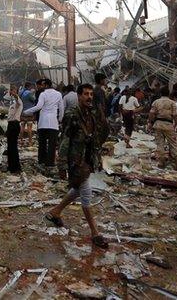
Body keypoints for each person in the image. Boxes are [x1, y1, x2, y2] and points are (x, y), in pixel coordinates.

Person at [45, 84, 110, 248]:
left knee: (77, 190)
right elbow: (65, 140)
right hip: (75, 160)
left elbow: (98, 133)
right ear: (79, 96)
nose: (89, 97)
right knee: (86, 193)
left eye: (91, 94)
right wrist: (62, 164)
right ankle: (95, 233)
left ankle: (55, 212)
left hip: (87, 159)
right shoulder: (72, 114)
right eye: (86, 94)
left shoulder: (91, 114)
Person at [23, 78, 63, 167]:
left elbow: (38, 106)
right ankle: (50, 163)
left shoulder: (43, 94)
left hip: (43, 122)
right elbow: (61, 108)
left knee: (42, 144)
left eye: (43, 85)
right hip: (53, 123)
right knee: (52, 145)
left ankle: (42, 160)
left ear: (46, 85)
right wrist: (60, 120)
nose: (41, 87)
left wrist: (26, 112)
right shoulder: (58, 94)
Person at [148, 90, 177, 168]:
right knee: (173, 144)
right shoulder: (172, 103)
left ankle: (161, 163)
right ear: (169, 94)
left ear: (160, 94)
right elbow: (175, 115)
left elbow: (152, 113)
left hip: (158, 124)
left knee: (160, 144)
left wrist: (150, 123)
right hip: (169, 124)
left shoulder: (156, 102)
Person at [5, 83, 23, 173]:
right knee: (10, 146)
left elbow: (18, 100)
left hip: (14, 125)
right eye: (11, 90)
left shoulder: (18, 101)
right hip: (10, 124)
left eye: (13, 90)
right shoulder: (12, 103)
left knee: (13, 147)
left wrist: (15, 93)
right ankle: (11, 166)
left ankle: (16, 167)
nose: (11, 91)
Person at [19, 82, 37, 146]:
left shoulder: (21, 92)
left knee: (22, 127)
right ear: (29, 87)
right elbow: (34, 100)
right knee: (29, 128)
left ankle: (21, 141)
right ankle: (30, 142)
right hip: (29, 113)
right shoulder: (29, 93)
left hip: (23, 112)